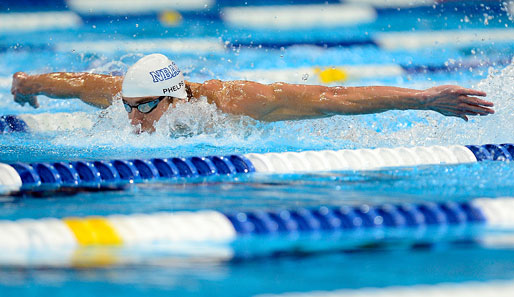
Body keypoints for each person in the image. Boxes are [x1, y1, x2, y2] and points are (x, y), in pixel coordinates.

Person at [10, 53, 494, 133]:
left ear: (175, 99)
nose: (133, 120)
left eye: (144, 108)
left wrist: (424, 98)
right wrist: (26, 87)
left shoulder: (236, 101)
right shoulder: (124, 96)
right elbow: (61, 84)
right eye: (127, 106)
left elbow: (338, 97)